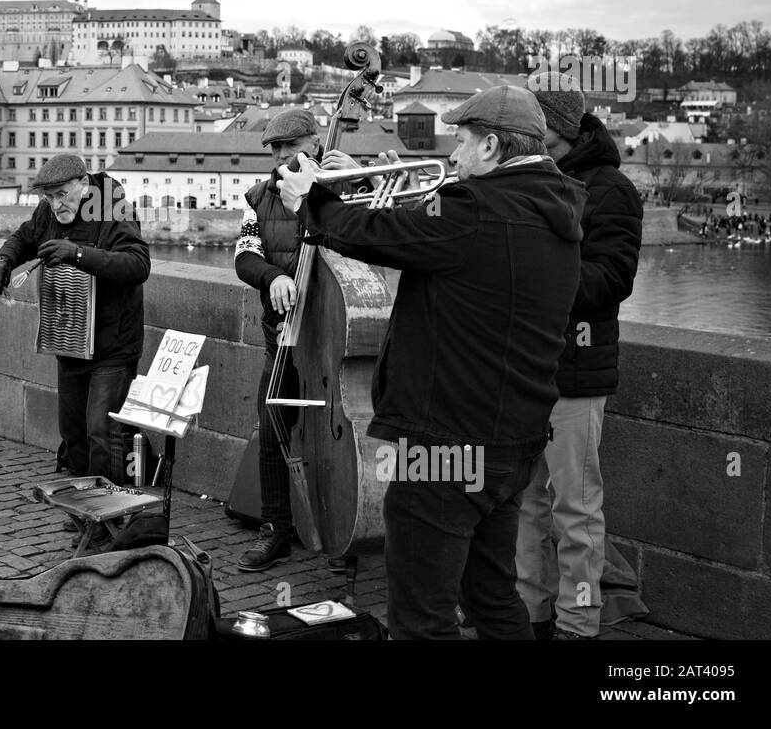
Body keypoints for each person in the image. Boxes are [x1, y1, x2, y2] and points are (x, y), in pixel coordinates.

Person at [276, 85, 585, 639]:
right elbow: (430, 241)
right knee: (491, 596)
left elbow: (379, 236)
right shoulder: (555, 210)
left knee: (422, 614)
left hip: (447, 441)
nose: (452, 158)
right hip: (514, 438)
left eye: (462, 143)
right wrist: (380, 187)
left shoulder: (478, 208)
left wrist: (312, 200)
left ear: (491, 146)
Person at [517, 72, 643, 640]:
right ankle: (530, 615)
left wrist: (538, 273)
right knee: (523, 509)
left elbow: (612, 280)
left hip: (575, 373)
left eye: (538, 136)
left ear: (561, 132)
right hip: (521, 369)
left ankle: (578, 623)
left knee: (576, 511)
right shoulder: (528, 178)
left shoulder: (613, 189)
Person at [232, 106, 357, 571]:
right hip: (283, 337)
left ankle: (348, 530)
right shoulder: (260, 197)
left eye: (293, 145)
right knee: (272, 434)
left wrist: (357, 183)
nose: (285, 155)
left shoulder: (345, 187)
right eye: (277, 148)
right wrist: (270, 278)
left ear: (315, 143)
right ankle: (276, 531)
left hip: (335, 340)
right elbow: (245, 256)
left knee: (346, 442)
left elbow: (385, 235)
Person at [0, 153, 150, 496]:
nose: (55, 203)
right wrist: (3, 260)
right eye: (48, 195)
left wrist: (77, 255)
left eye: (61, 194)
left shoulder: (113, 208)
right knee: (73, 432)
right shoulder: (48, 211)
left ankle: (109, 514)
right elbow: (24, 237)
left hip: (113, 344)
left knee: (101, 431)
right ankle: (86, 507)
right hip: (71, 339)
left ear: (84, 184)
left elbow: (138, 265)